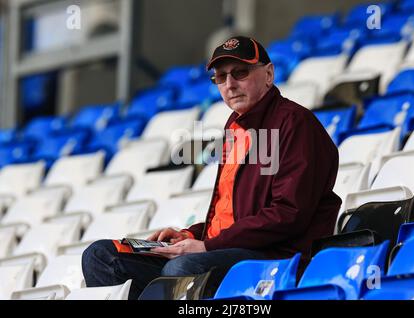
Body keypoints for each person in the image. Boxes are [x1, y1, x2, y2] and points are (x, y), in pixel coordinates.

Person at [82, 36, 342, 300]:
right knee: (100, 256)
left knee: (181, 268)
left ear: (269, 74)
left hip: (277, 256)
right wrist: (189, 236)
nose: (230, 84)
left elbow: (288, 214)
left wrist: (206, 246)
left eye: (240, 73)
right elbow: (233, 216)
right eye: (220, 77)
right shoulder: (236, 126)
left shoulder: (294, 123)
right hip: (230, 249)